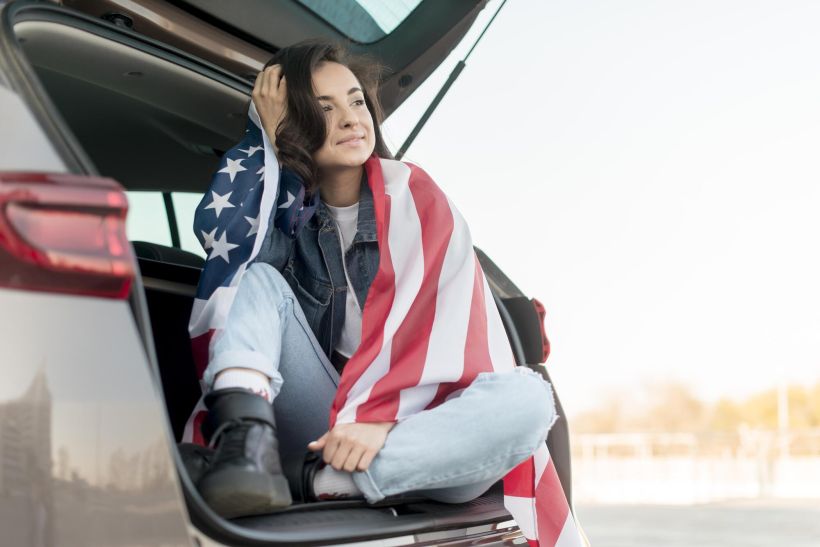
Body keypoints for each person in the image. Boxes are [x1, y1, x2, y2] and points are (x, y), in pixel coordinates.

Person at [192, 40, 557, 519]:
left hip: (424, 434)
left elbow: (457, 355)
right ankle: (246, 446)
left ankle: (320, 483)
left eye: (356, 100)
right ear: (295, 125)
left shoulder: (421, 205)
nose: (350, 118)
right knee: (258, 278)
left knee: (528, 399)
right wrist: (263, 137)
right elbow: (232, 261)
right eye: (324, 108)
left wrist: (381, 422)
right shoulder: (288, 221)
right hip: (325, 426)